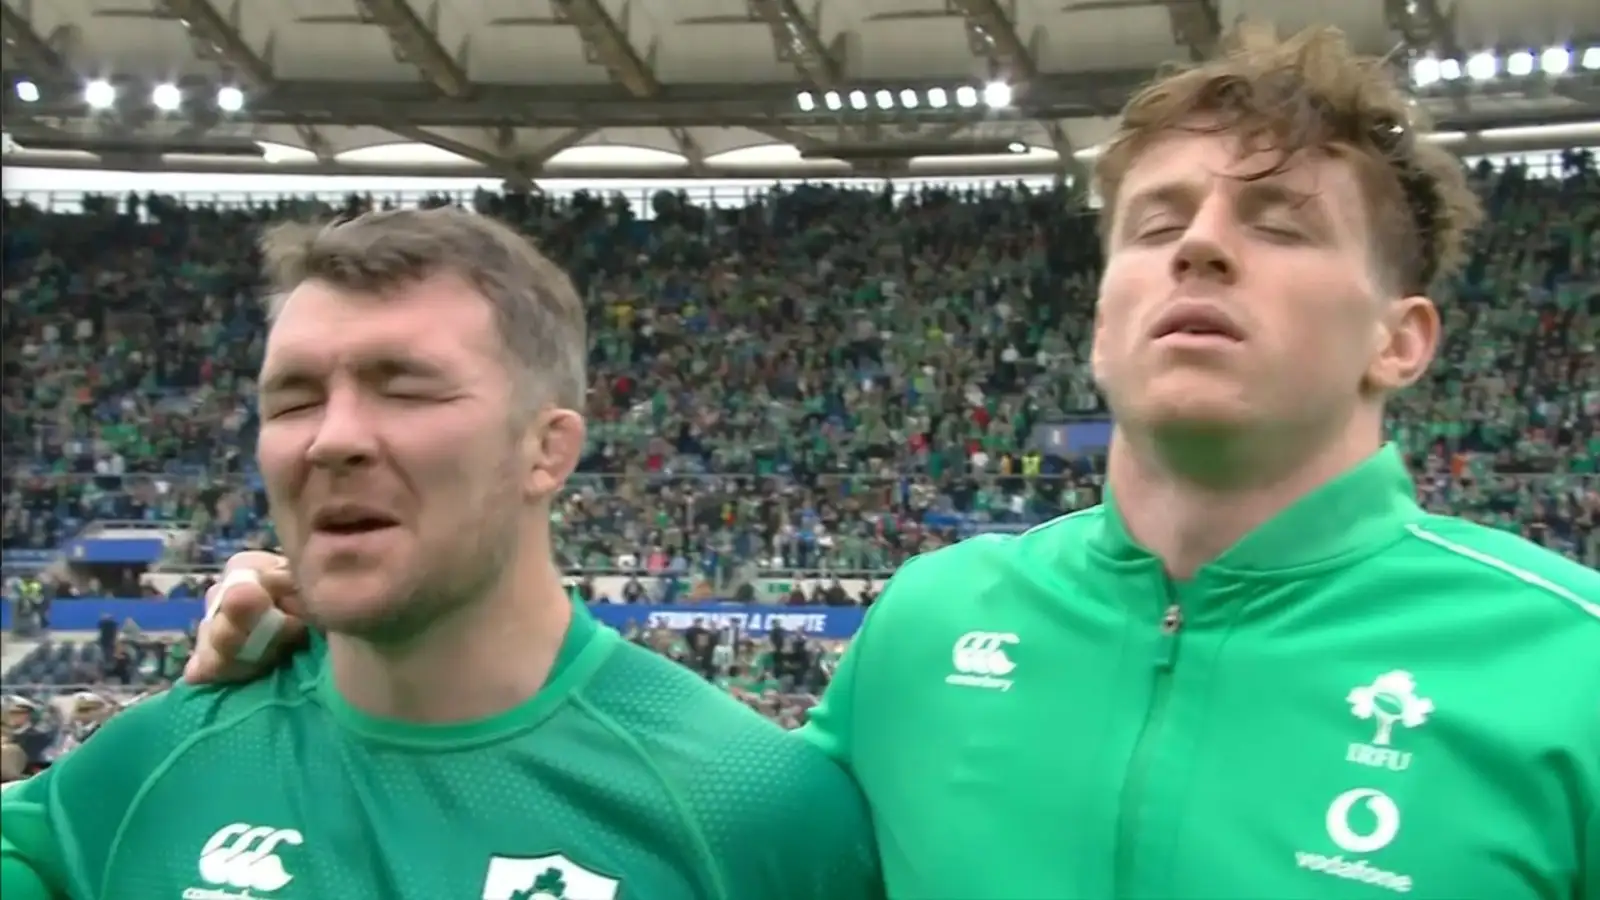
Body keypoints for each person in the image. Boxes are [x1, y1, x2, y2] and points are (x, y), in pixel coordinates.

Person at [101, 23, 1600, 900]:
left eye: (1277, 224)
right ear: (1099, 307)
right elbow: (670, 818)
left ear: (1402, 340)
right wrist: (270, 704)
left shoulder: (1563, 667)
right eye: (1155, 223)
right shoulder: (932, 624)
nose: (1198, 241)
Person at [0, 208, 880, 900]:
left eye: (405, 388)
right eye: (295, 399)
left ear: (548, 450)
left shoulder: (752, 809)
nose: (332, 439)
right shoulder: (149, 772)